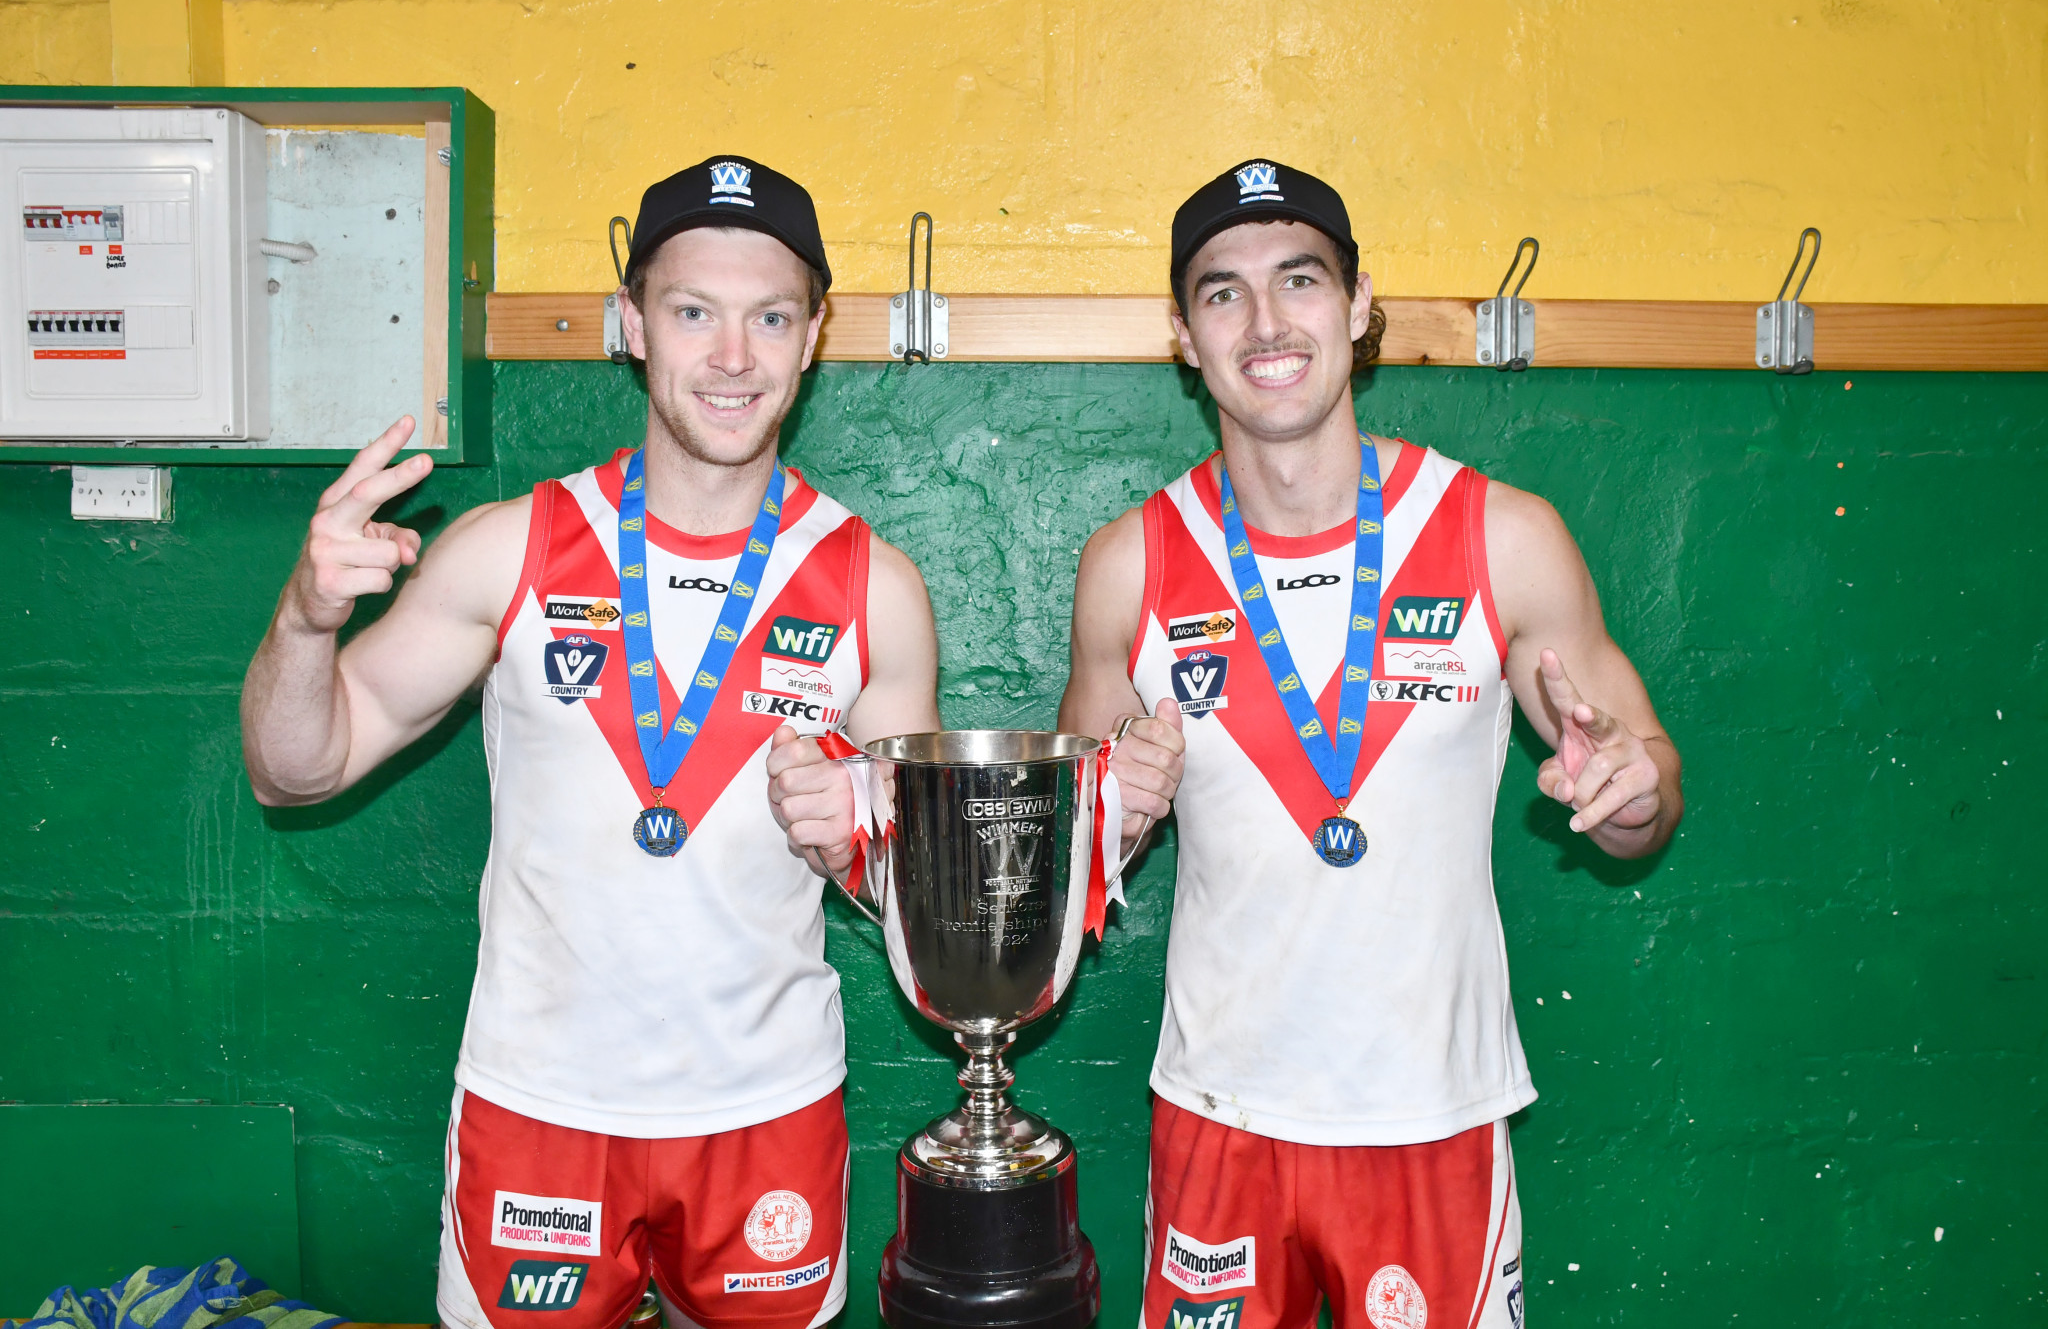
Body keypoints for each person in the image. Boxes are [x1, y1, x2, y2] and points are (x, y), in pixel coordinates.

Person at [240, 156, 941, 1329]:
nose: (731, 357)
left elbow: (929, 906)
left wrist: (860, 843)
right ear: (632, 324)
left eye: (768, 316)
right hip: (540, 1110)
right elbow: (292, 768)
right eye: (692, 312)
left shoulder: (873, 588)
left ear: (812, 335)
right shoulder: (505, 550)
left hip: (764, 1112)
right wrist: (307, 620)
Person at [1058, 160, 1685, 1329]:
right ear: (1185, 339)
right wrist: (1111, 814)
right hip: (1218, 1115)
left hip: (1430, 1119)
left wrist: (1631, 788)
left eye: (1298, 281)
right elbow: (1069, 864)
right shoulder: (1129, 566)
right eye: (1221, 293)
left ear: (1354, 309)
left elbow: (1642, 791)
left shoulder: (1501, 536)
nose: (1265, 322)